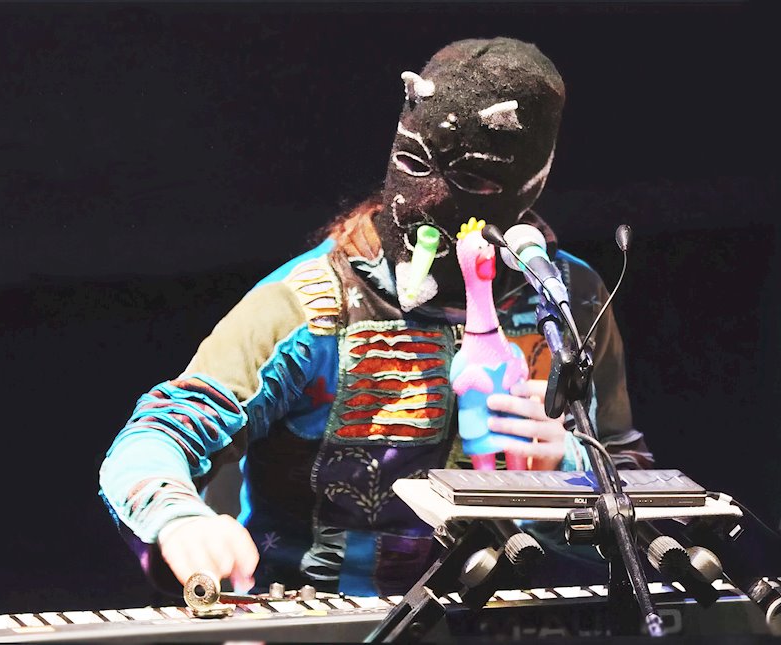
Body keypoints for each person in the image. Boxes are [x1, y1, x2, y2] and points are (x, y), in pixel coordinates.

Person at [98, 36, 653, 600]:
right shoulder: (308, 304)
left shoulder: (571, 300)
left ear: (529, 184)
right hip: (323, 620)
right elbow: (160, 432)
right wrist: (178, 518)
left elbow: (639, 484)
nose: (428, 200)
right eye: (414, 163)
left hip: (515, 618)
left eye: (474, 180)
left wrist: (573, 467)